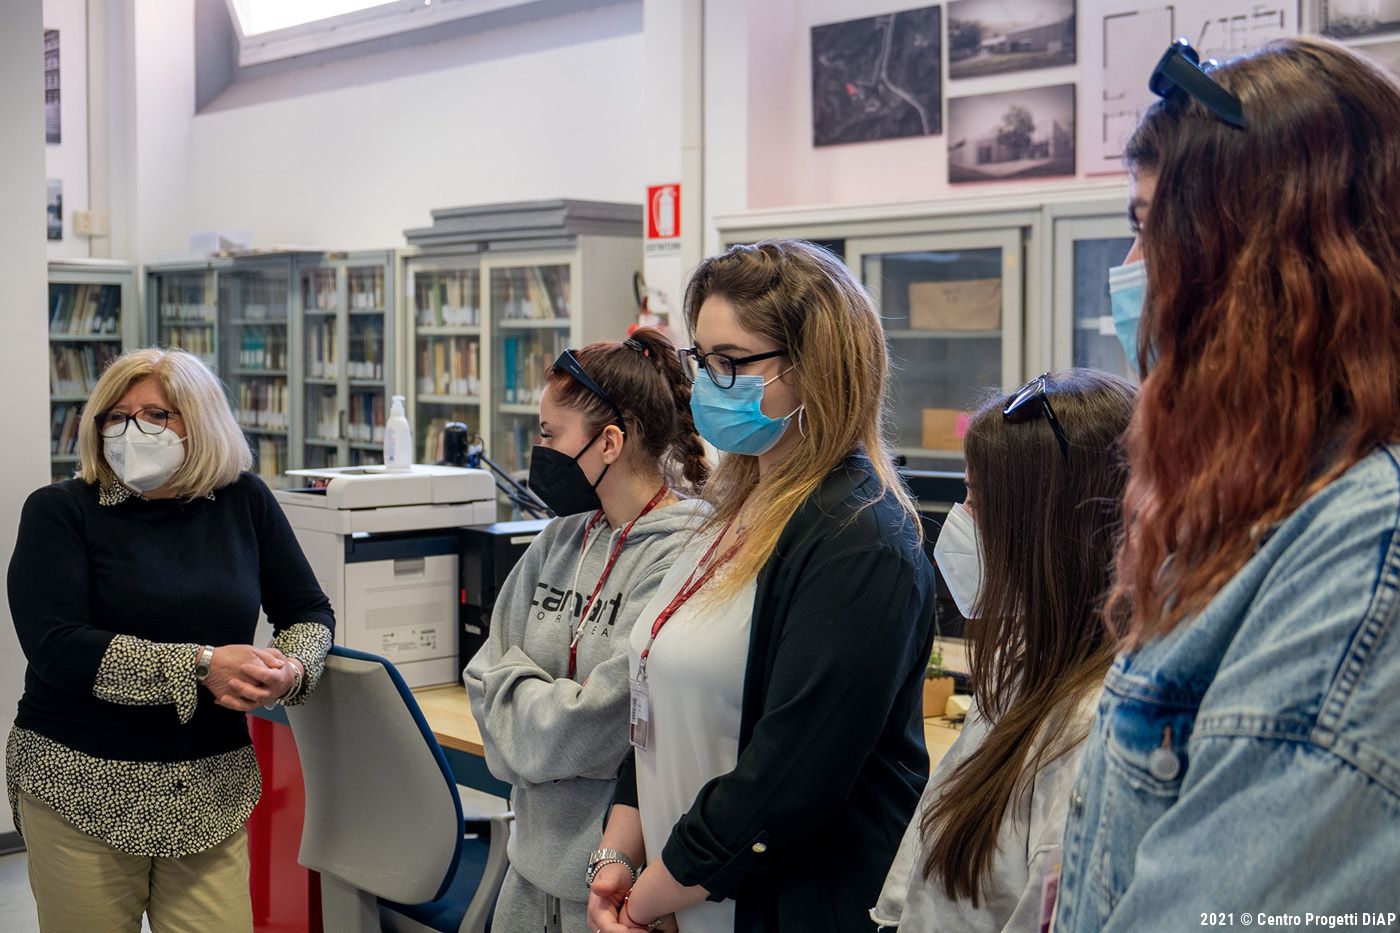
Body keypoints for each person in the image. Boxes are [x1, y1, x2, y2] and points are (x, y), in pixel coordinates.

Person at [1052, 37, 1400, 929]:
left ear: (1262, 263)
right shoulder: (1258, 505)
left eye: (1150, 230)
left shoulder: (1366, 548)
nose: (1131, 269)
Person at [586, 239, 938, 933]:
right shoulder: (730, 504)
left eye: (731, 362)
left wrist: (651, 897)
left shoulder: (859, 539)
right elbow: (656, 694)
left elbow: (788, 780)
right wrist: (618, 855)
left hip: (782, 907)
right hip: (682, 893)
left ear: (816, 369)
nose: (708, 384)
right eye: (702, 359)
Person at [6, 347, 334, 932]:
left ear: (199, 422)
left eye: (156, 415)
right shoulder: (59, 511)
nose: (133, 430)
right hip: (81, 783)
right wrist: (201, 664)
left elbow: (308, 611)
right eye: (116, 416)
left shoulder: (244, 500)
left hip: (210, 786)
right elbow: (57, 645)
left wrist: (293, 671)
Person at [464, 327, 712, 933]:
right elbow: (481, 678)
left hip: (619, 893)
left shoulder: (687, 554)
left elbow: (612, 719)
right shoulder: (557, 540)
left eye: (550, 435)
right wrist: (556, 715)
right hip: (527, 873)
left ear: (609, 442)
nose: (539, 449)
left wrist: (523, 700)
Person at [870, 369, 1136, 932]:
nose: (960, 520)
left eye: (976, 499)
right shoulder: (1027, 663)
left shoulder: (1089, 727)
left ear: (1049, 526)